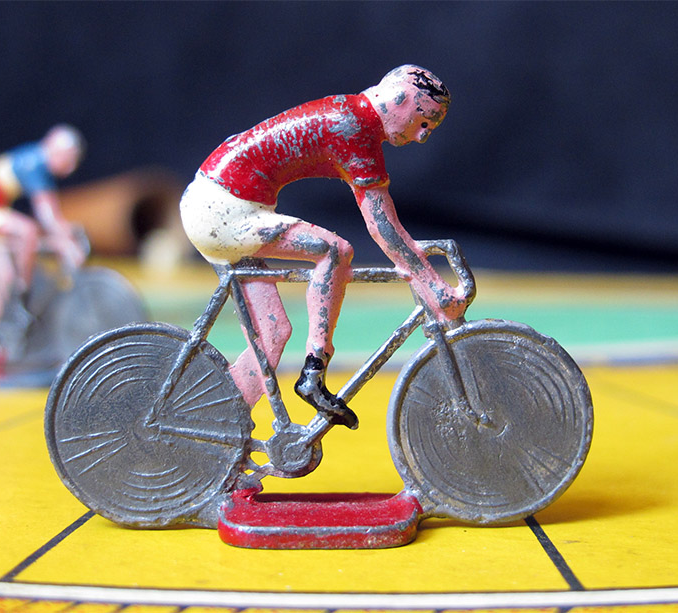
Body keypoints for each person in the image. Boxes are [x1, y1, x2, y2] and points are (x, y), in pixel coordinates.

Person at [180, 65, 467, 429]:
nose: (423, 136)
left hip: (214, 200)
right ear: (400, 100)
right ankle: (314, 371)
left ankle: (222, 425)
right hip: (224, 209)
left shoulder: (352, 115)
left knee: (272, 332)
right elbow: (383, 227)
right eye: (424, 121)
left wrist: (424, 274)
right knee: (335, 251)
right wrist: (433, 284)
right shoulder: (355, 129)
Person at [0, 124, 86, 321]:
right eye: (69, 159)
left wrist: (62, 232)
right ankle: (23, 290)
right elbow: (47, 214)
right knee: (28, 230)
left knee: (4, 277)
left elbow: (49, 215)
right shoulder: (35, 163)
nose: (71, 167)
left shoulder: (36, 159)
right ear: (57, 151)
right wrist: (66, 240)